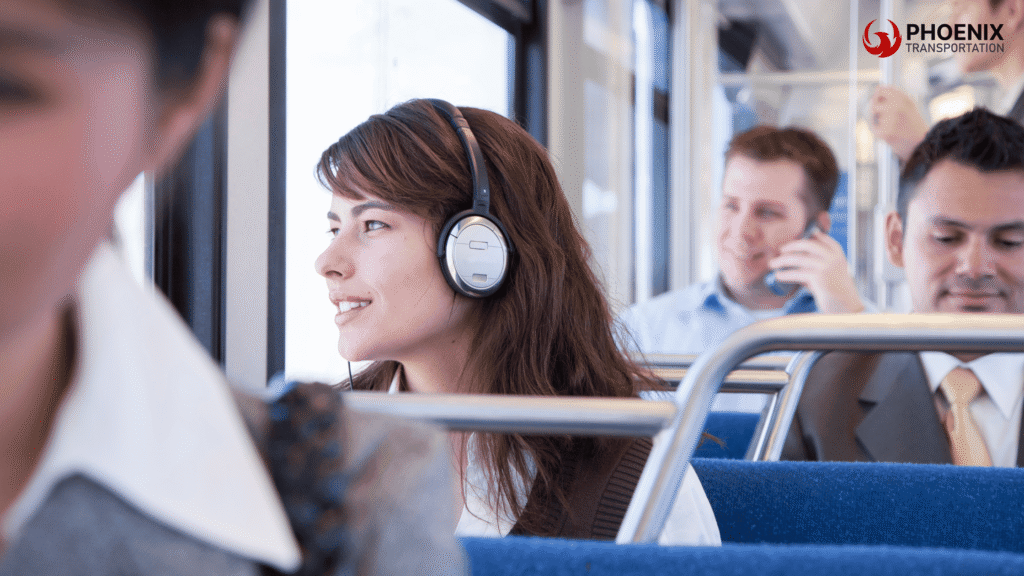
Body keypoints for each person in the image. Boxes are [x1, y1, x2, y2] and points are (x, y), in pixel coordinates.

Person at [0, 0, 466, 574]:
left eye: (5, 87)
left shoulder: (353, 491)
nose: (326, 261)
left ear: (180, 95)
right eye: (333, 226)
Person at [314, 98, 721, 545]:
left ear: (476, 249)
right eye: (335, 230)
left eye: (373, 225)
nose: (327, 261)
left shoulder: (641, 481)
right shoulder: (311, 442)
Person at [783, 108, 1024, 466]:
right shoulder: (821, 397)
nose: (974, 268)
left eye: (1009, 241)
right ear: (896, 239)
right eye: (945, 238)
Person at [619, 126, 864, 357]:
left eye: (767, 212)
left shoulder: (874, 329)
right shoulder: (642, 329)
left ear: (817, 229)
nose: (741, 230)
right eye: (731, 205)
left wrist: (848, 324)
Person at [871, 0, 1024, 161]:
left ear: (1012, 11)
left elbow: (1008, 184)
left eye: (960, 10)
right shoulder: (1009, 112)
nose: (948, 31)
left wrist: (923, 146)